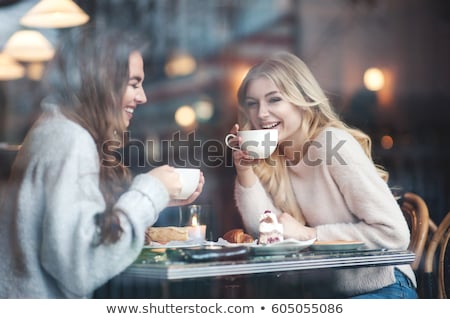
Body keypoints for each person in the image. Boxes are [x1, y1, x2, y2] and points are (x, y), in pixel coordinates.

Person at [0, 27, 204, 298]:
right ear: (102, 82)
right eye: (133, 83)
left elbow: (73, 233)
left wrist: (158, 200)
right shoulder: (70, 139)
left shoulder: (54, 129)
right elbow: (83, 266)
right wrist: (150, 191)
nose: (143, 96)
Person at [229, 51, 417, 298]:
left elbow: (394, 234)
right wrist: (244, 171)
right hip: (331, 295)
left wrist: (311, 235)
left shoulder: (332, 144)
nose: (261, 113)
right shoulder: (274, 157)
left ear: (303, 100)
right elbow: (266, 232)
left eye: (274, 100)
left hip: (384, 287)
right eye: (252, 103)